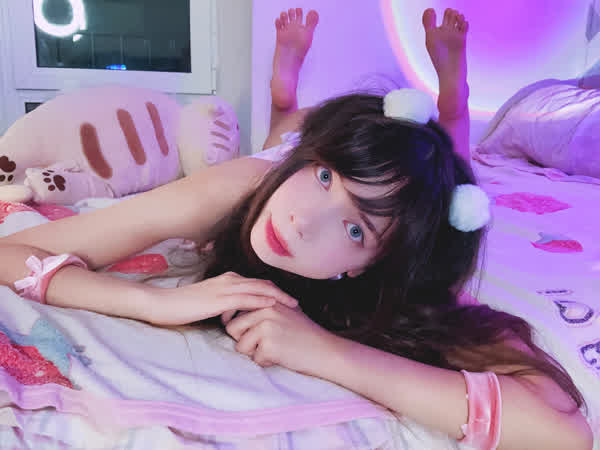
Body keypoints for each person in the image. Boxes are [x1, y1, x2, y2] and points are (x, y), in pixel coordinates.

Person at [0, 7, 593, 449]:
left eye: (356, 231)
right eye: (326, 178)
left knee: (449, 180)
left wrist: (324, 350)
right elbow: (12, 251)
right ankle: (287, 94)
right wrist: (153, 304)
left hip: (352, 181)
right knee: (288, 140)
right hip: (279, 158)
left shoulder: (407, 274)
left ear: (368, 268)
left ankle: (452, 96)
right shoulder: (239, 186)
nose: (303, 219)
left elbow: (563, 431)